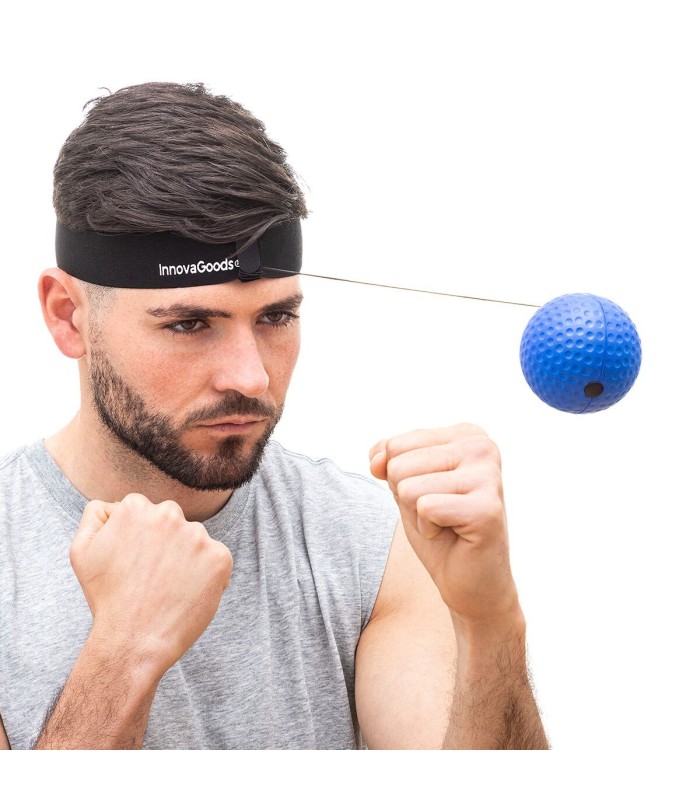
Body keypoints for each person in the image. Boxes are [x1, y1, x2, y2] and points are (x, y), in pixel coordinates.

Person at [0, 82, 548, 750]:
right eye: (189, 324)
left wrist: (490, 620)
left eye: (276, 317)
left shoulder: (369, 542)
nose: (251, 377)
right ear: (68, 316)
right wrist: (124, 651)